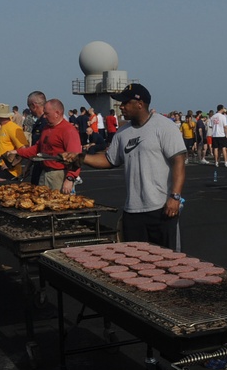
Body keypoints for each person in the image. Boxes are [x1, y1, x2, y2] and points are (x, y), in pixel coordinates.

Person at [63, 84, 185, 249]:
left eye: (125, 102)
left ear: (140, 104)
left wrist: (175, 197)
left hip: (161, 208)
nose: (120, 106)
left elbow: (178, 162)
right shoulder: (123, 133)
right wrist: (82, 158)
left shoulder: (164, 126)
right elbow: (109, 160)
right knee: (136, 263)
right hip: (132, 211)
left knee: (169, 263)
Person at [7, 98, 81, 192]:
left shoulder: (68, 130)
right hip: (44, 173)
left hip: (59, 175)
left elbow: (75, 156)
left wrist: (70, 178)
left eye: (47, 114)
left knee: (58, 204)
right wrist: (17, 152)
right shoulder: (46, 128)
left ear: (57, 113)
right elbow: (38, 148)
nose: (44, 117)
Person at [0, 103, 28, 179]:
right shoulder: (2, 128)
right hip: (0, 166)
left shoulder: (12, 128)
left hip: (9, 171)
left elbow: (24, 148)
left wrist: (11, 164)